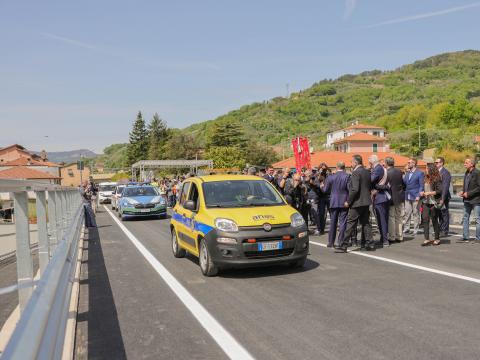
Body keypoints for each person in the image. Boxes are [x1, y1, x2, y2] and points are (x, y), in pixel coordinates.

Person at [337, 155, 375, 252]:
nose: (351, 164)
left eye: (352, 162)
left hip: (357, 202)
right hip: (366, 201)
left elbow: (354, 189)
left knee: (350, 224)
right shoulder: (367, 172)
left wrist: (348, 201)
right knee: (366, 223)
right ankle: (369, 244)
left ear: (355, 162)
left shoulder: (355, 173)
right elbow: (369, 186)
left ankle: (343, 245)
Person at [322, 162, 350, 248]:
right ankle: (340, 241)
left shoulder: (331, 177)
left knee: (333, 222)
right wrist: (348, 200)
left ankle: (331, 242)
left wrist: (321, 186)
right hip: (344, 201)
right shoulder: (347, 176)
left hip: (333, 201)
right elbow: (350, 190)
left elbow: (325, 190)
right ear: (344, 167)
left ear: (337, 167)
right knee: (343, 222)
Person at [370, 155, 390, 247]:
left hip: (380, 197)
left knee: (381, 219)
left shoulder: (377, 169)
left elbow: (371, 180)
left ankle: (385, 240)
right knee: (383, 219)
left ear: (372, 162)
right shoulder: (381, 168)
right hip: (383, 196)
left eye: (369, 163)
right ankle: (383, 238)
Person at [420, 164, 443, 246]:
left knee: (434, 220)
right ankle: (426, 239)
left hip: (434, 202)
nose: (425, 169)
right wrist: (422, 192)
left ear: (431, 169)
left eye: (426, 168)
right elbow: (423, 188)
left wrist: (429, 193)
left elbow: (440, 191)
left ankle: (437, 238)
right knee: (425, 220)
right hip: (425, 202)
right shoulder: (425, 178)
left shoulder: (437, 178)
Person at [459, 158, 480, 243]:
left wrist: (469, 193)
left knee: (477, 219)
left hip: (476, 200)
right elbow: (466, 185)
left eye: (466, 163)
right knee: (465, 218)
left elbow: (479, 187)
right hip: (467, 200)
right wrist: (463, 192)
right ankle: (465, 237)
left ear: (472, 164)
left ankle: (478, 238)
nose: (464, 164)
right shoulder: (467, 172)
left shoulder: (477, 173)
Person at [385, 157, 405, 243]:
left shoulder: (387, 173)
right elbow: (404, 184)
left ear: (386, 163)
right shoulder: (399, 171)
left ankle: (392, 236)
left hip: (391, 197)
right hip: (400, 197)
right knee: (399, 217)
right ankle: (399, 236)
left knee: (391, 217)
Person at [403, 158, 424, 236]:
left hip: (415, 196)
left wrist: (418, 195)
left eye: (409, 162)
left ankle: (415, 229)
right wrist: (405, 173)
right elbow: (404, 183)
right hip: (407, 195)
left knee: (415, 213)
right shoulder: (407, 173)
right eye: (408, 162)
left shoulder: (420, 173)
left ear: (414, 163)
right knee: (407, 212)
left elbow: (421, 185)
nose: (408, 164)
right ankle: (406, 228)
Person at [435, 157, 451, 237]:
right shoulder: (436, 172)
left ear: (441, 163)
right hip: (437, 197)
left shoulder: (445, 172)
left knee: (444, 214)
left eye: (437, 162)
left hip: (443, 197)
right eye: (435, 162)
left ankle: (445, 231)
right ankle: (440, 229)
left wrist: (442, 198)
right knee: (439, 214)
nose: (436, 164)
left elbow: (445, 186)